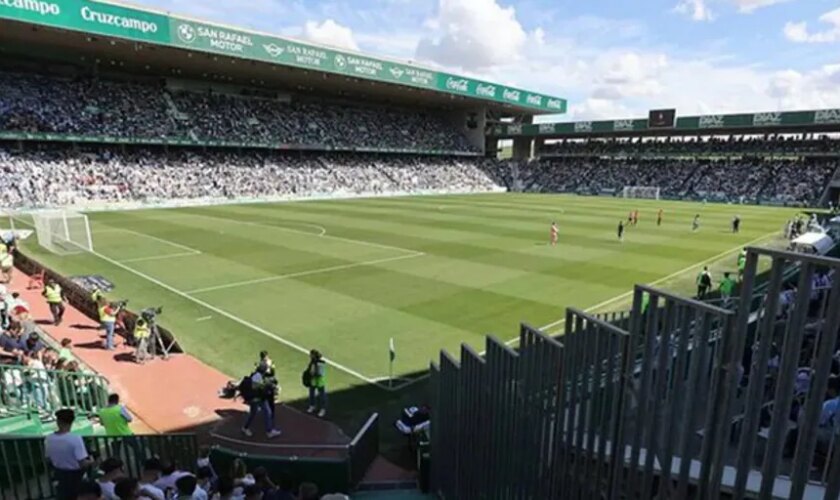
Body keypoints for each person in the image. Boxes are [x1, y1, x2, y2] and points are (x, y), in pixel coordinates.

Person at [44, 408, 93, 500]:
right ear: (72, 421)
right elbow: (82, 462)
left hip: (59, 474)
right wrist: (91, 461)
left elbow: (48, 458)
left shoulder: (49, 438)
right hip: (75, 476)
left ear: (58, 421)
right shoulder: (75, 439)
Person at [240, 365, 282, 438]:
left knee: (254, 413)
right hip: (257, 398)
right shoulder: (258, 377)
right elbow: (256, 387)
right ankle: (269, 431)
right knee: (267, 412)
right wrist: (266, 386)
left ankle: (245, 427)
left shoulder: (257, 375)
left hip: (257, 398)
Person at [97, 393, 137, 460]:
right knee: (137, 449)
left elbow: (102, 423)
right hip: (125, 433)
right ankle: (145, 465)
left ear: (108, 401)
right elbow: (129, 419)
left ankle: (118, 468)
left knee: (116, 455)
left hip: (113, 436)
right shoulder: (120, 408)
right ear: (117, 401)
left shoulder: (101, 411)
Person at [306, 349, 328, 418]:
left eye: (311, 355)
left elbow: (320, 373)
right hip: (313, 381)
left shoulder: (321, 363)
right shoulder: (312, 362)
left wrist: (313, 373)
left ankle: (323, 409)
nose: (310, 356)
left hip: (320, 382)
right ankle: (312, 406)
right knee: (311, 394)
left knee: (322, 396)